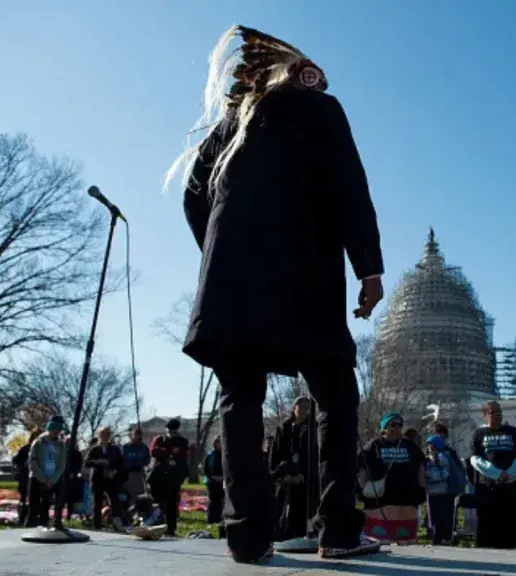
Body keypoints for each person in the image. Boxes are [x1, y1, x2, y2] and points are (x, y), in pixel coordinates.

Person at [165, 24, 384, 564]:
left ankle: (246, 536)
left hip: (231, 288)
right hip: (302, 281)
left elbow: (194, 199)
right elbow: (348, 186)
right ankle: (336, 528)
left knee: (240, 399)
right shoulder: (319, 111)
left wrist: (221, 257)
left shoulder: (229, 126)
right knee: (335, 393)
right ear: (298, 73)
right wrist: (369, 269)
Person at [357, 412, 425, 545]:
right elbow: (362, 468)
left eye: (400, 425)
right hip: (381, 498)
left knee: (406, 539)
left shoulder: (410, 446)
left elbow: (420, 468)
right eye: (393, 424)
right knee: (380, 539)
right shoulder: (374, 445)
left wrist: (422, 488)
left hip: (406, 497)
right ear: (384, 427)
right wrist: (361, 488)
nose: (397, 428)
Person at [470, 401, 516, 549]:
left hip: (511, 491)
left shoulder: (513, 432)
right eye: (493, 412)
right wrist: (496, 474)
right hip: (488, 491)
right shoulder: (479, 434)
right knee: (487, 534)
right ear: (485, 415)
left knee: (511, 533)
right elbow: (475, 459)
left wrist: (509, 474)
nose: (498, 414)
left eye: (499, 411)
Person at [269, 397, 318, 542]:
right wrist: (282, 474)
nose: (303, 410)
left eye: (307, 407)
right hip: (285, 479)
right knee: (282, 515)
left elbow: (315, 456)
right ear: (293, 408)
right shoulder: (284, 428)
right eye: (301, 406)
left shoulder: (313, 428)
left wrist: (303, 474)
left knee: (302, 515)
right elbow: (275, 455)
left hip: (305, 481)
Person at [148, 418, 189, 537]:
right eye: (170, 431)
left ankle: (170, 529)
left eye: (174, 432)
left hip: (174, 476)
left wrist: (167, 452)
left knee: (171, 503)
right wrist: (170, 451)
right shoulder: (159, 439)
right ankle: (157, 524)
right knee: (158, 501)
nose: (171, 434)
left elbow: (182, 455)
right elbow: (154, 451)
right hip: (159, 475)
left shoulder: (182, 441)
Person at [25, 419, 67, 527]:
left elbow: (62, 465)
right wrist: (42, 478)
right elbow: (32, 461)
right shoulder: (38, 442)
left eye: (58, 430)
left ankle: (44, 525)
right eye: (54, 430)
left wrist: (53, 480)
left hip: (53, 479)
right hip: (37, 478)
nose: (56, 433)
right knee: (33, 506)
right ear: (49, 429)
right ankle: (30, 525)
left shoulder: (61, 445)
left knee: (46, 505)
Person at [85, 426, 126, 530]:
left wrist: (114, 472)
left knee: (115, 500)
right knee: (97, 503)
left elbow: (121, 464)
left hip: (111, 479)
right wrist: (98, 462)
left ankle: (117, 522)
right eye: (103, 434)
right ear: (99, 435)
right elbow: (87, 463)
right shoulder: (95, 449)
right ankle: (97, 525)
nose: (105, 436)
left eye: (107, 434)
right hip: (97, 478)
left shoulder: (115, 449)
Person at [203, 435, 225, 538]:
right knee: (213, 501)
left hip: (224, 481)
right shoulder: (210, 455)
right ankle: (212, 520)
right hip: (212, 481)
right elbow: (205, 469)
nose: (219, 444)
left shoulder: (226, 455)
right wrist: (212, 477)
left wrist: (223, 477)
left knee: (223, 502)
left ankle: (222, 519)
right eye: (217, 442)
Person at [122, 429, 150, 502]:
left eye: (139, 436)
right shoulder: (126, 447)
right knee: (128, 494)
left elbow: (147, 459)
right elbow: (122, 459)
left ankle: (139, 510)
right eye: (135, 435)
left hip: (139, 473)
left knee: (140, 495)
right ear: (132, 436)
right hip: (128, 473)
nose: (137, 438)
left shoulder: (144, 447)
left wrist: (142, 463)